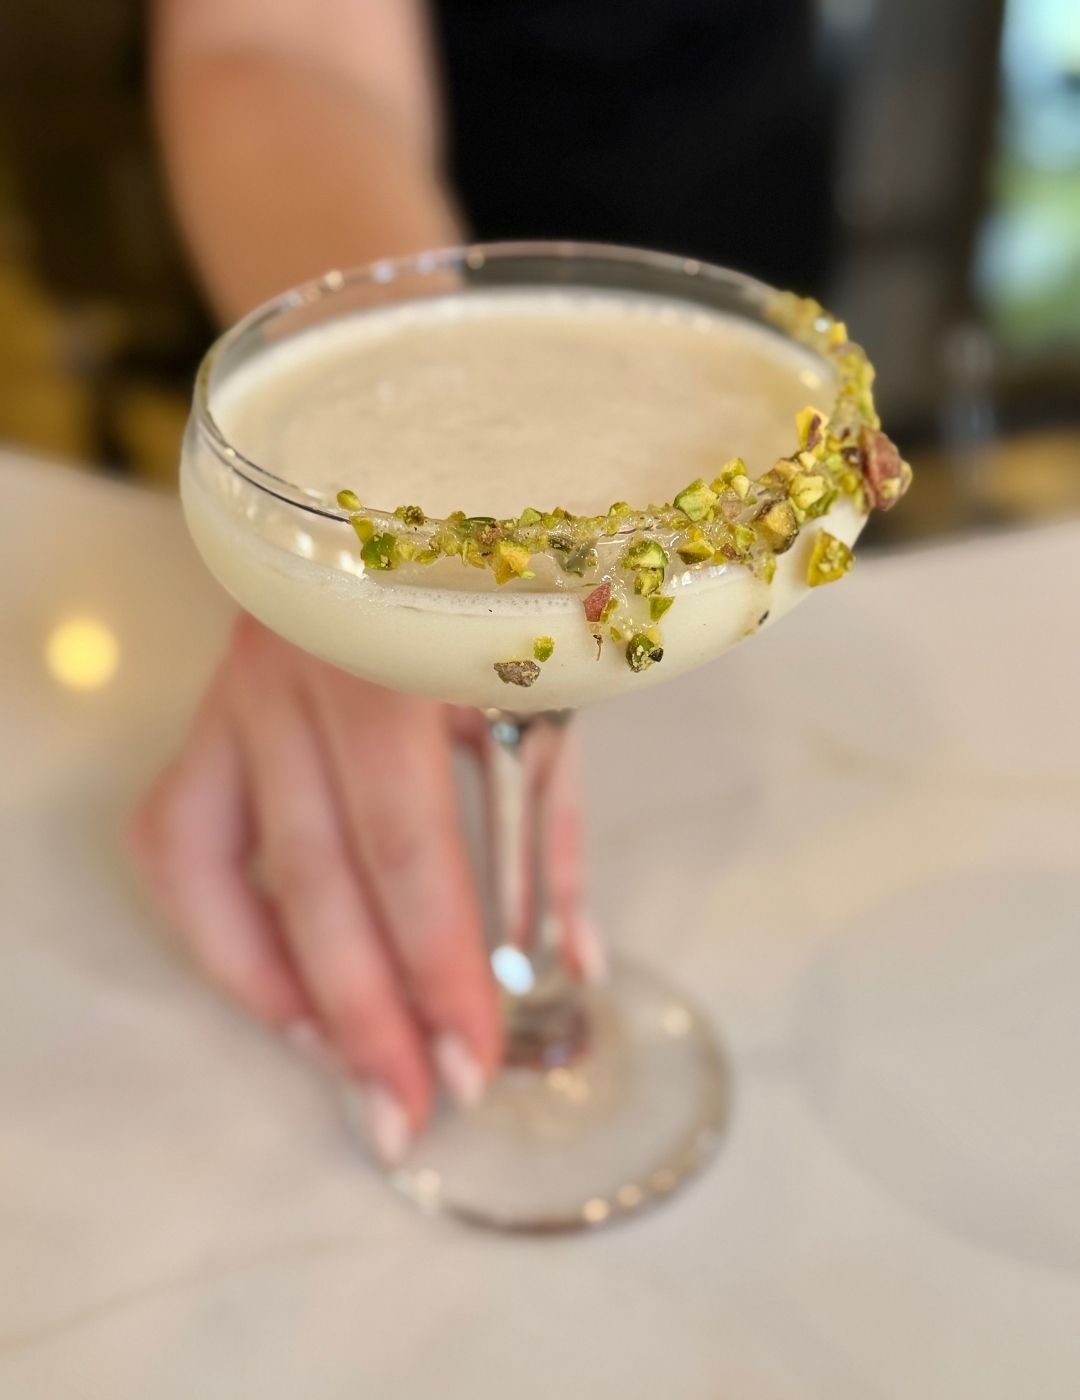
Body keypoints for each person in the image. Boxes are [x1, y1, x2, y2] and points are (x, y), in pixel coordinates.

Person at [128, 0, 830, 1164]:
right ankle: (525, 994)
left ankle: (535, 992)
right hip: (348, 237)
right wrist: (374, 460)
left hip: (733, 313)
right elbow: (277, 44)